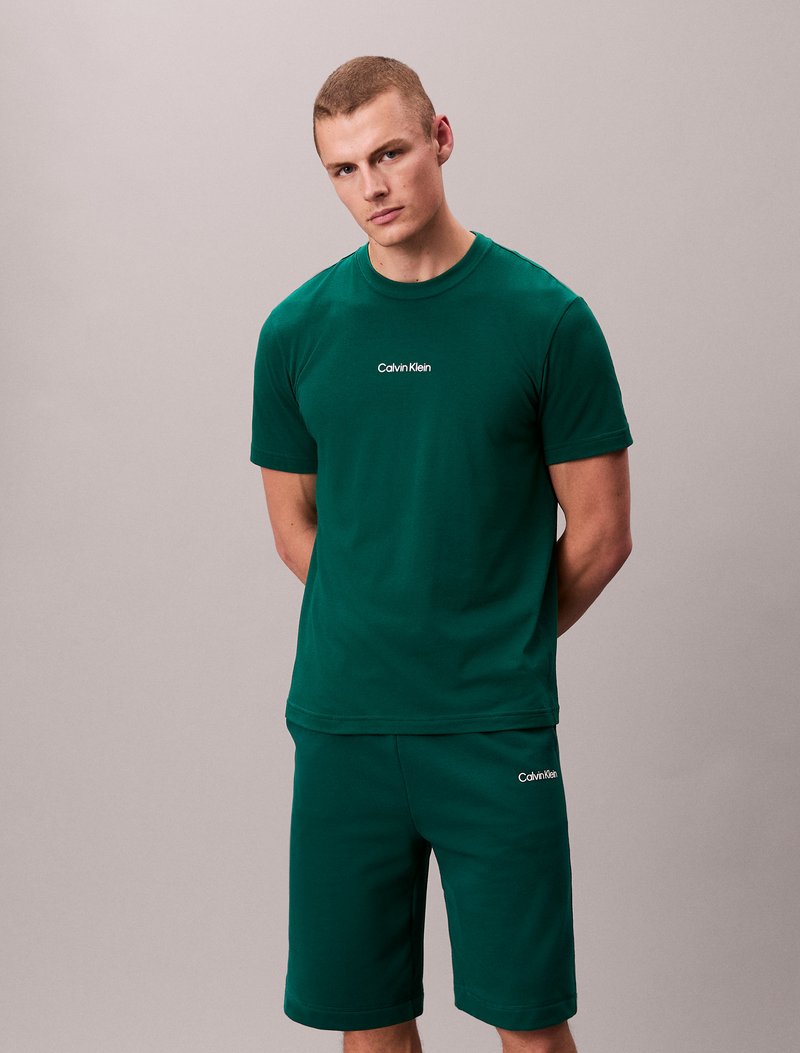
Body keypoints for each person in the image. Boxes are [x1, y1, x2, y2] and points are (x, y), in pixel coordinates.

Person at [250, 55, 633, 1053]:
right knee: (368, 1021)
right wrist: (386, 620)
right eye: (343, 169)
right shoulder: (295, 332)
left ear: (441, 139)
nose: (370, 187)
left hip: (491, 728)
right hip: (344, 725)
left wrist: (495, 635)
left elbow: (601, 533)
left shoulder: (546, 320)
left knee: (528, 1021)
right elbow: (294, 526)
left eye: (389, 154)